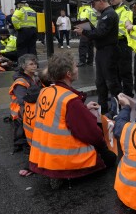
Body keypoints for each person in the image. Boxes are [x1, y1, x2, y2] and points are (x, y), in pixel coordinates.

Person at [28, 52, 117, 189]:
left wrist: (83, 109)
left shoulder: (45, 92)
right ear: (69, 74)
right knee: (110, 158)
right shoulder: (71, 100)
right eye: (75, 67)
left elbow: (57, 117)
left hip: (43, 155)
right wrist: (105, 150)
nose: (77, 69)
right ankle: (64, 174)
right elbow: (91, 133)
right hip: (66, 158)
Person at [73, 0, 121, 114]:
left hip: (108, 52)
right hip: (102, 51)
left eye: (93, 4)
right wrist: (89, 28)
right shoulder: (105, 14)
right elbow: (100, 32)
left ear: (100, 1)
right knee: (100, 82)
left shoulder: (109, 14)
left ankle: (118, 108)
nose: (92, 7)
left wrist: (84, 31)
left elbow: (101, 33)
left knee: (111, 82)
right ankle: (103, 107)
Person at [8, 54, 39, 153]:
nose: (34, 66)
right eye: (31, 64)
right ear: (23, 66)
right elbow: (22, 101)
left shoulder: (34, 77)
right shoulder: (20, 82)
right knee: (22, 130)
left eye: (35, 64)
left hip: (28, 107)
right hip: (19, 111)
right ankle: (22, 144)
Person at [107, 0, 134, 97]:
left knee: (125, 72)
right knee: (115, 72)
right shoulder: (110, 10)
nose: (112, 0)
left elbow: (123, 29)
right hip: (113, 44)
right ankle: (118, 96)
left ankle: (128, 96)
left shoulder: (126, 11)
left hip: (123, 43)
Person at [77, 0, 96, 67]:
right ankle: (90, 61)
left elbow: (82, 21)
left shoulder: (84, 10)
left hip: (85, 30)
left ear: (84, 4)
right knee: (90, 47)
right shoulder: (92, 10)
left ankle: (82, 61)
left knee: (82, 46)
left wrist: (79, 29)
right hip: (92, 30)